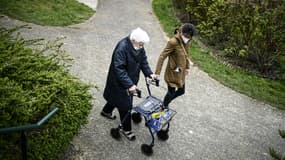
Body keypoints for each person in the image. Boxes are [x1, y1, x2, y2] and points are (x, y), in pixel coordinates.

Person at [101, 27, 157, 141]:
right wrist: (130, 85)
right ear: (134, 40)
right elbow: (119, 69)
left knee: (116, 98)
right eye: (141, 44)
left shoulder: (139, 47)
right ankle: (126, 129)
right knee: (126, 106)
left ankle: (106, 111)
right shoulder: (122, 48)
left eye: (143, 44)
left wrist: (149, 74)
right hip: (119, 81)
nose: (142, 47)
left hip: (129, 80)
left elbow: (143, 61)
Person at [155, 23, 195, 109]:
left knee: (181, 91)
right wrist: (157, 73)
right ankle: (164, 106)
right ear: (182, 33)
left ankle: (164, 104)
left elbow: (186, 54)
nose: (187, 39)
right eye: (186, 36)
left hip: (181, 72)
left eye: (189, 37)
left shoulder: (187, 41)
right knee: (171, 92)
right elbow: (162, 56)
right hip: (173, 72)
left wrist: (187, 67)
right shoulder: (173, 42)